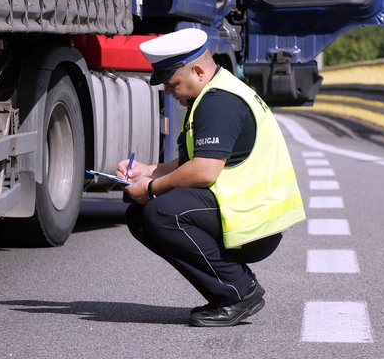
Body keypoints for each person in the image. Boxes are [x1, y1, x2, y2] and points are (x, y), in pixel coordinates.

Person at [118, 28, 305, 327]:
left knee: (161, 211)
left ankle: (239, 292)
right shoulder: (212, 94)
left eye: (172, 82)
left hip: (253, 221)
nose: (168, 91)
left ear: (197, 70)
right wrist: (148, 170)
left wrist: (151, 189)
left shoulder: (220, 101)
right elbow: (197, 160)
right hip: (243, 212)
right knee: (140, 215)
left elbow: (204, 171)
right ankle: (227, 291)